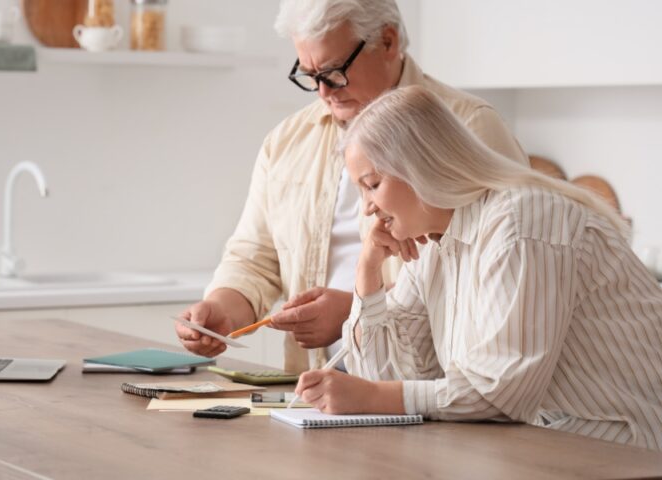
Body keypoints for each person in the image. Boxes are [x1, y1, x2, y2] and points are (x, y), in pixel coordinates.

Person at [294, 85, 662, 450]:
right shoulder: (435, 244)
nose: (367, 208)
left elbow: (499, 393)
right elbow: (387, 375)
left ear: (419, 166)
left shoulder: (522, 222)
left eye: (372, 185)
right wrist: (367, 272)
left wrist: (373, 396)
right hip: (538, 441)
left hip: (623, 446)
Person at [175, 0, 527, 373]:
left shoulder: (469, 127)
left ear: (388, 42)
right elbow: (254, 257)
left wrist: (358, 308)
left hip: (434, 388)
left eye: (334, 71)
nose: (323, 92)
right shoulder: (286, 142)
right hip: (316, 384)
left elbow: (503, 272)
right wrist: (222, 308)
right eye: (310, 75)